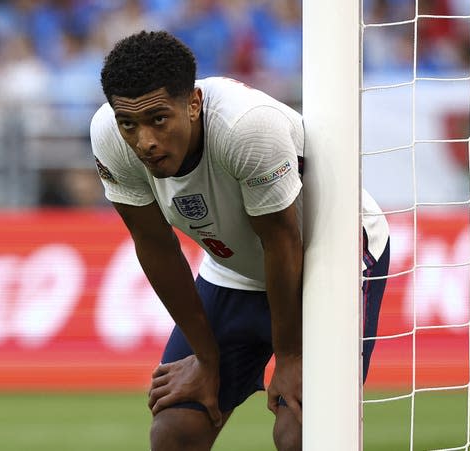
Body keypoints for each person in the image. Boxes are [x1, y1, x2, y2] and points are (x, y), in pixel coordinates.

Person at [90, 30, 390, 451]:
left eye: (158, 119)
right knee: (174, 432)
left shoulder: (247, 128)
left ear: (193, 104)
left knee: (302, 432)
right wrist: (205, 358)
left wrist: (289, 357)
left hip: (327, 257)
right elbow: (154, 245)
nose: (145, 142)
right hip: (235, 269)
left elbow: (283, 241)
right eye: (130, 124)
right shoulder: (108, 136)